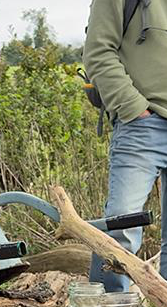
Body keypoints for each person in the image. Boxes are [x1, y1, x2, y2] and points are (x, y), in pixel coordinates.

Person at [83, 0, 167, 292]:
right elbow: (97, 52)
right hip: (143, 125)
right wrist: (134, 108)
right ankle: (109, 300)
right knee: (121, 228)